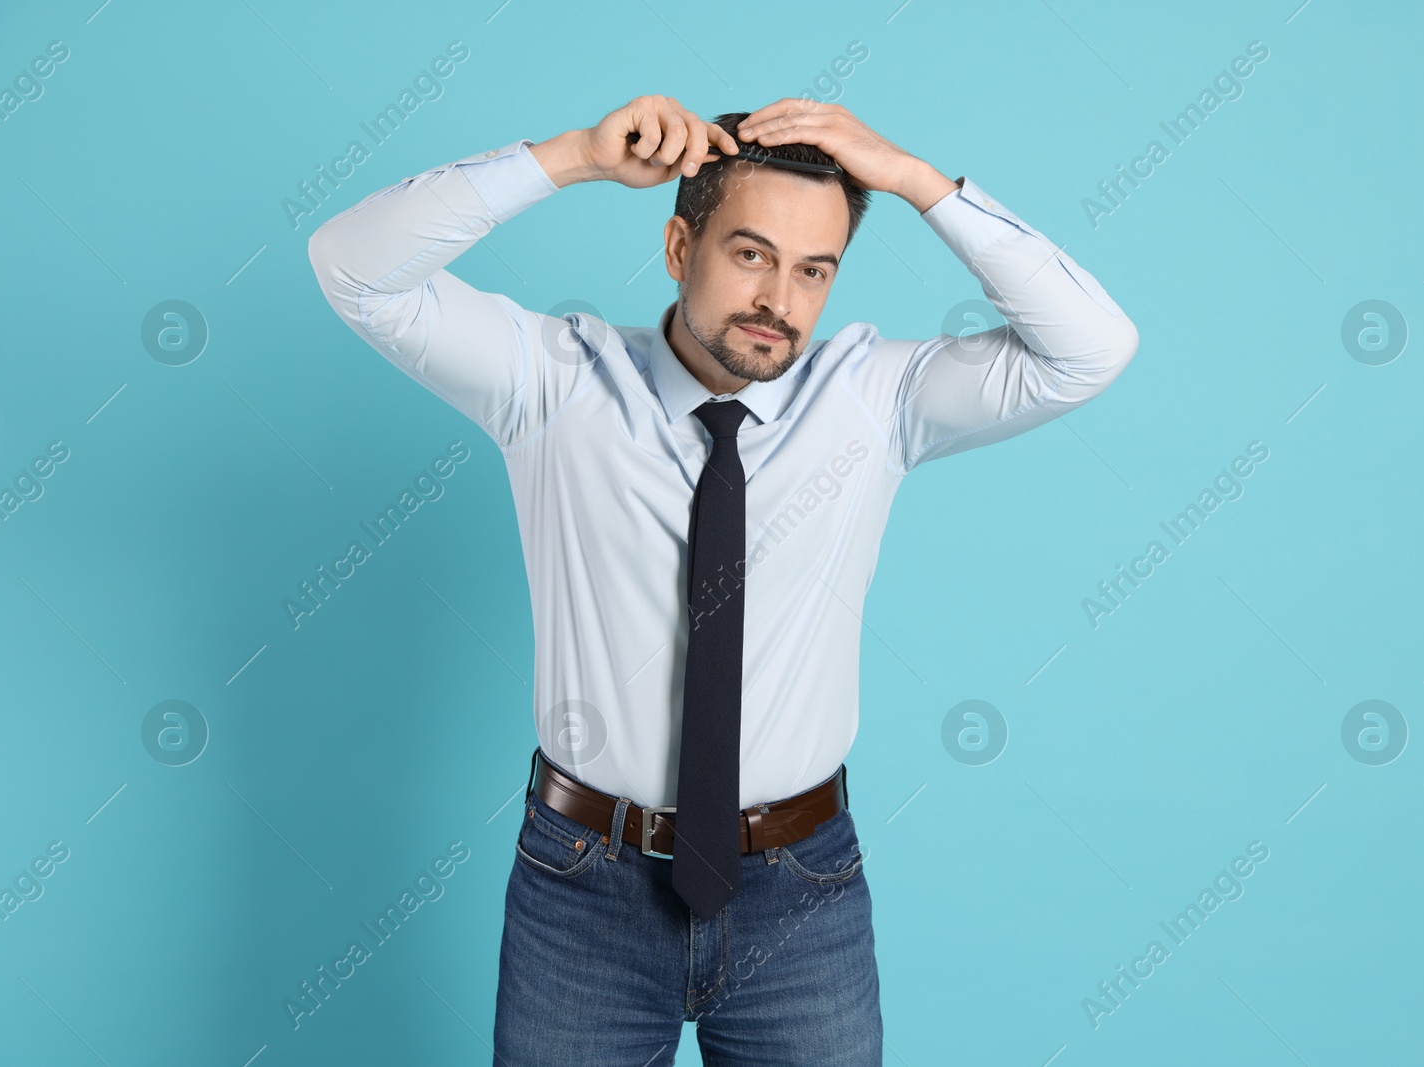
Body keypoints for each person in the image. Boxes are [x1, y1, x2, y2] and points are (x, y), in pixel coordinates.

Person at [307, 93, 1138, 1065]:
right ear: (677, 247)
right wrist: (570, 157)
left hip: (801, 890)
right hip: (585, 884)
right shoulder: (553, 382)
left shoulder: (874, 400)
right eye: (750, 254)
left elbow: (1092, 345)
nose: (777, 301)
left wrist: (913, 179)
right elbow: (352, 267)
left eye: (812, 270)